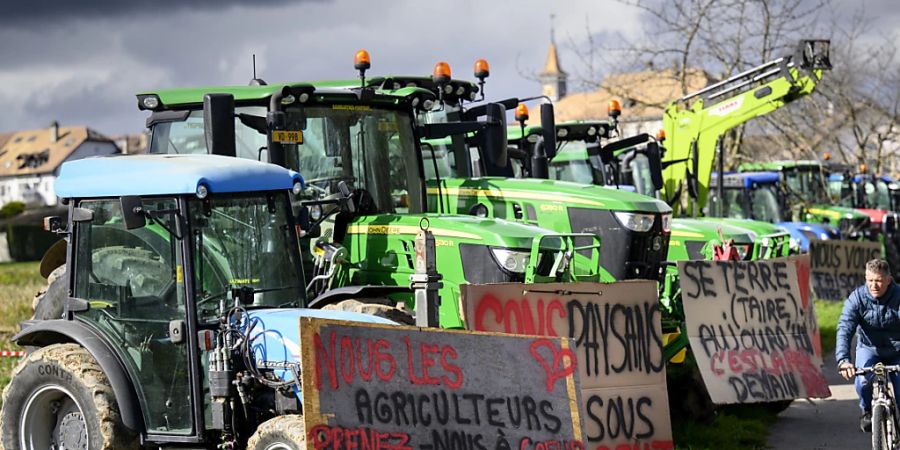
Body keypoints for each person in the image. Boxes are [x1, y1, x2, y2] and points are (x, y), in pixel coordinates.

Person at [837, 258, 900, 433]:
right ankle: (866, 410)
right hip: (869, 348)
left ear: (888, 280)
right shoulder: (857, 298)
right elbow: (845, 328)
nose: (874, 285)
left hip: (897, 350)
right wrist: (843, 360)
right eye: (870, 280)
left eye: (879, 280)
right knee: (863, 381)